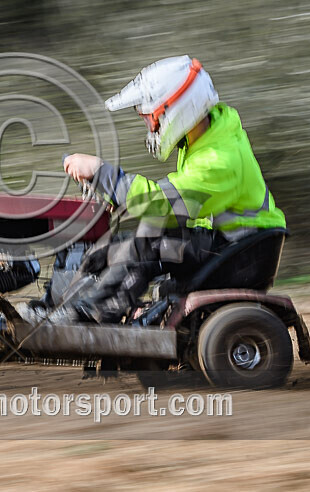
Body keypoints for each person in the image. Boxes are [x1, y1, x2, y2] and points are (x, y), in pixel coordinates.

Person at [19, 55, 287, 324]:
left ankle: (92, 316)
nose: (150, 127)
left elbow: (160, 205)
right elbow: (176, 202)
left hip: (239, 254)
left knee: (142, 246)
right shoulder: (209, 135)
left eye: (151, 118)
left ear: (178, 109)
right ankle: (54, 308)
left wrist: (102, 172)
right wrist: (117, 193)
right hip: (223, 243)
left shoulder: (219, 160)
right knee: (113, 246)